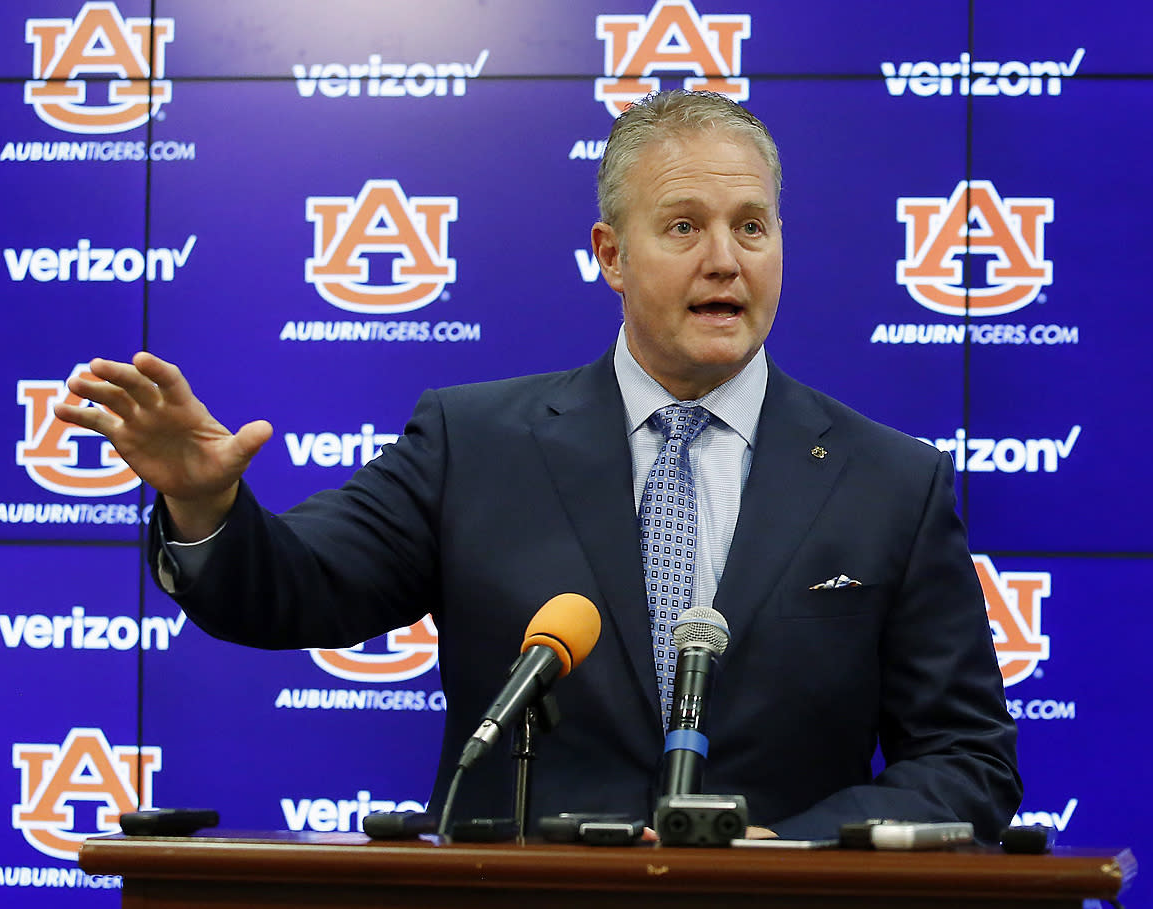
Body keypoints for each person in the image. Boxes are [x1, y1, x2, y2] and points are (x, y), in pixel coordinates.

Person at [57, 90, 1021, 841]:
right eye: (683, 226)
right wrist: (206, 500)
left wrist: (791, 846)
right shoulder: (472, 442)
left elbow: (969, 760)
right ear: (610, 253)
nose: (726, 259)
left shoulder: (892, 481)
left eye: (752, 226)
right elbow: (294, 590)